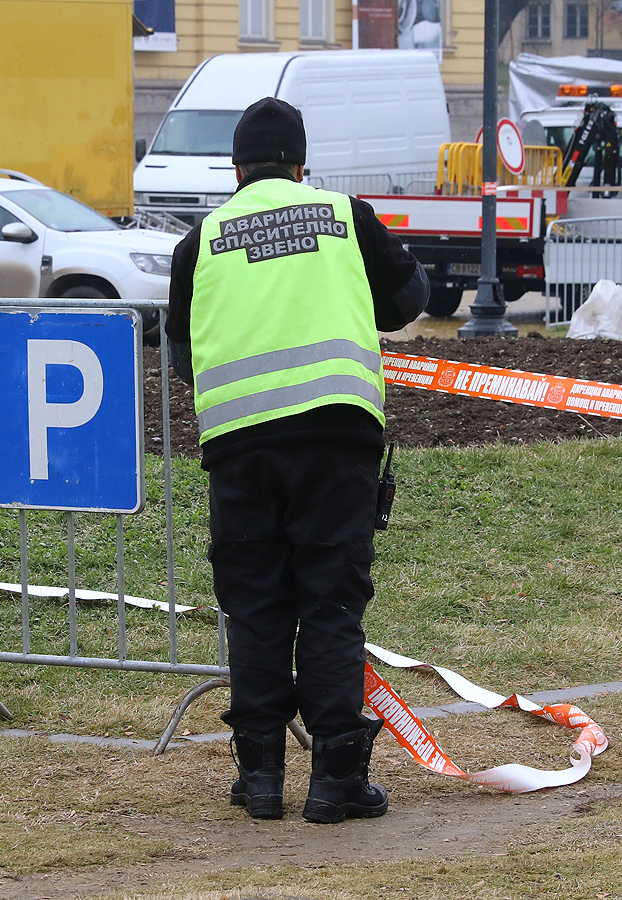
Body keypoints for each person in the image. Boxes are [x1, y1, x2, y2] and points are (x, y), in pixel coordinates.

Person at [165, 97, 428, 824]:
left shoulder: (200, 242)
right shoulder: (346, 217)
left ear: (237, 169)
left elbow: (184, 361)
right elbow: (408, 300)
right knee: (330, 604)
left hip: (239, 452)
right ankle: (336, 779)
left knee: (254, 611)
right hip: (335, 442)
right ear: (302, 164)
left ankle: (260, 779)